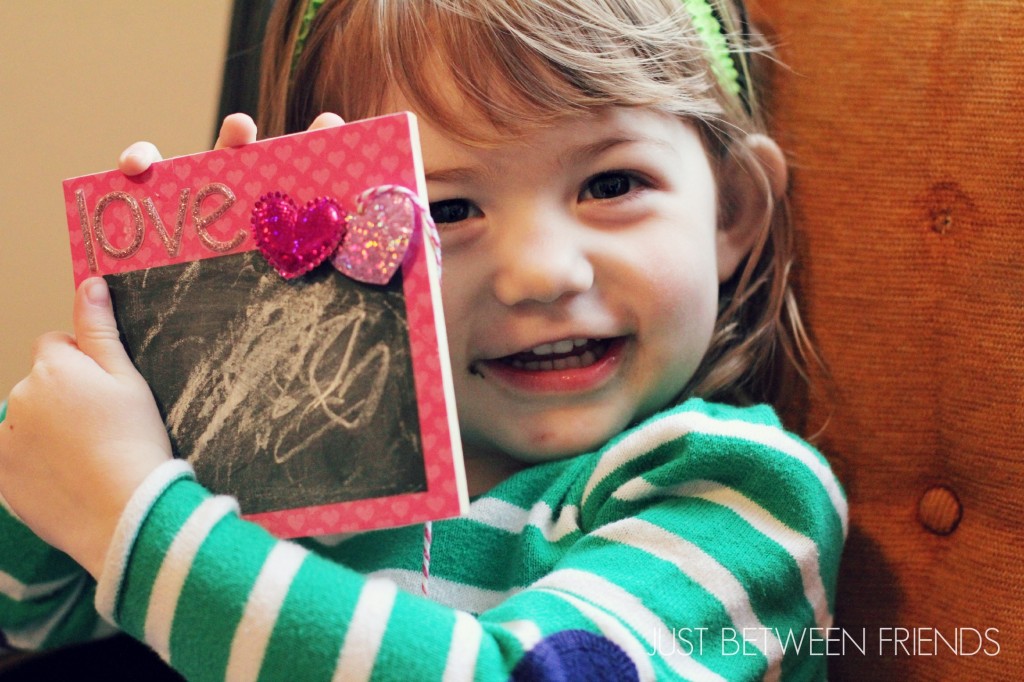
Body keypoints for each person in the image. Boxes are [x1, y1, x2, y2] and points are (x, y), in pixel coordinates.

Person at [0, 1, 846, 680]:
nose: (541, 275)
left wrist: (136, 521)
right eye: (446, 210)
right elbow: (30, 617)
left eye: (612, 183)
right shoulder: (285, 466)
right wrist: (144, 389)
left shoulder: (738, 488)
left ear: (732, 211)